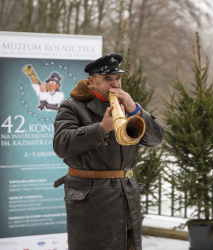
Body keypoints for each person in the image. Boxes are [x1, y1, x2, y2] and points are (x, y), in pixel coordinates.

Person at [53, 53, 164, 250]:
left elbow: (155, 139)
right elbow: (61, 145)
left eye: (118, 78)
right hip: (91, 199)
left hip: (126, 195)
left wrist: (136, 111)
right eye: (107, 79)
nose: (115, 85)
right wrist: (101, 128)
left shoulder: (128, 107)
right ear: (91, 81)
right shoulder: (72, 106)